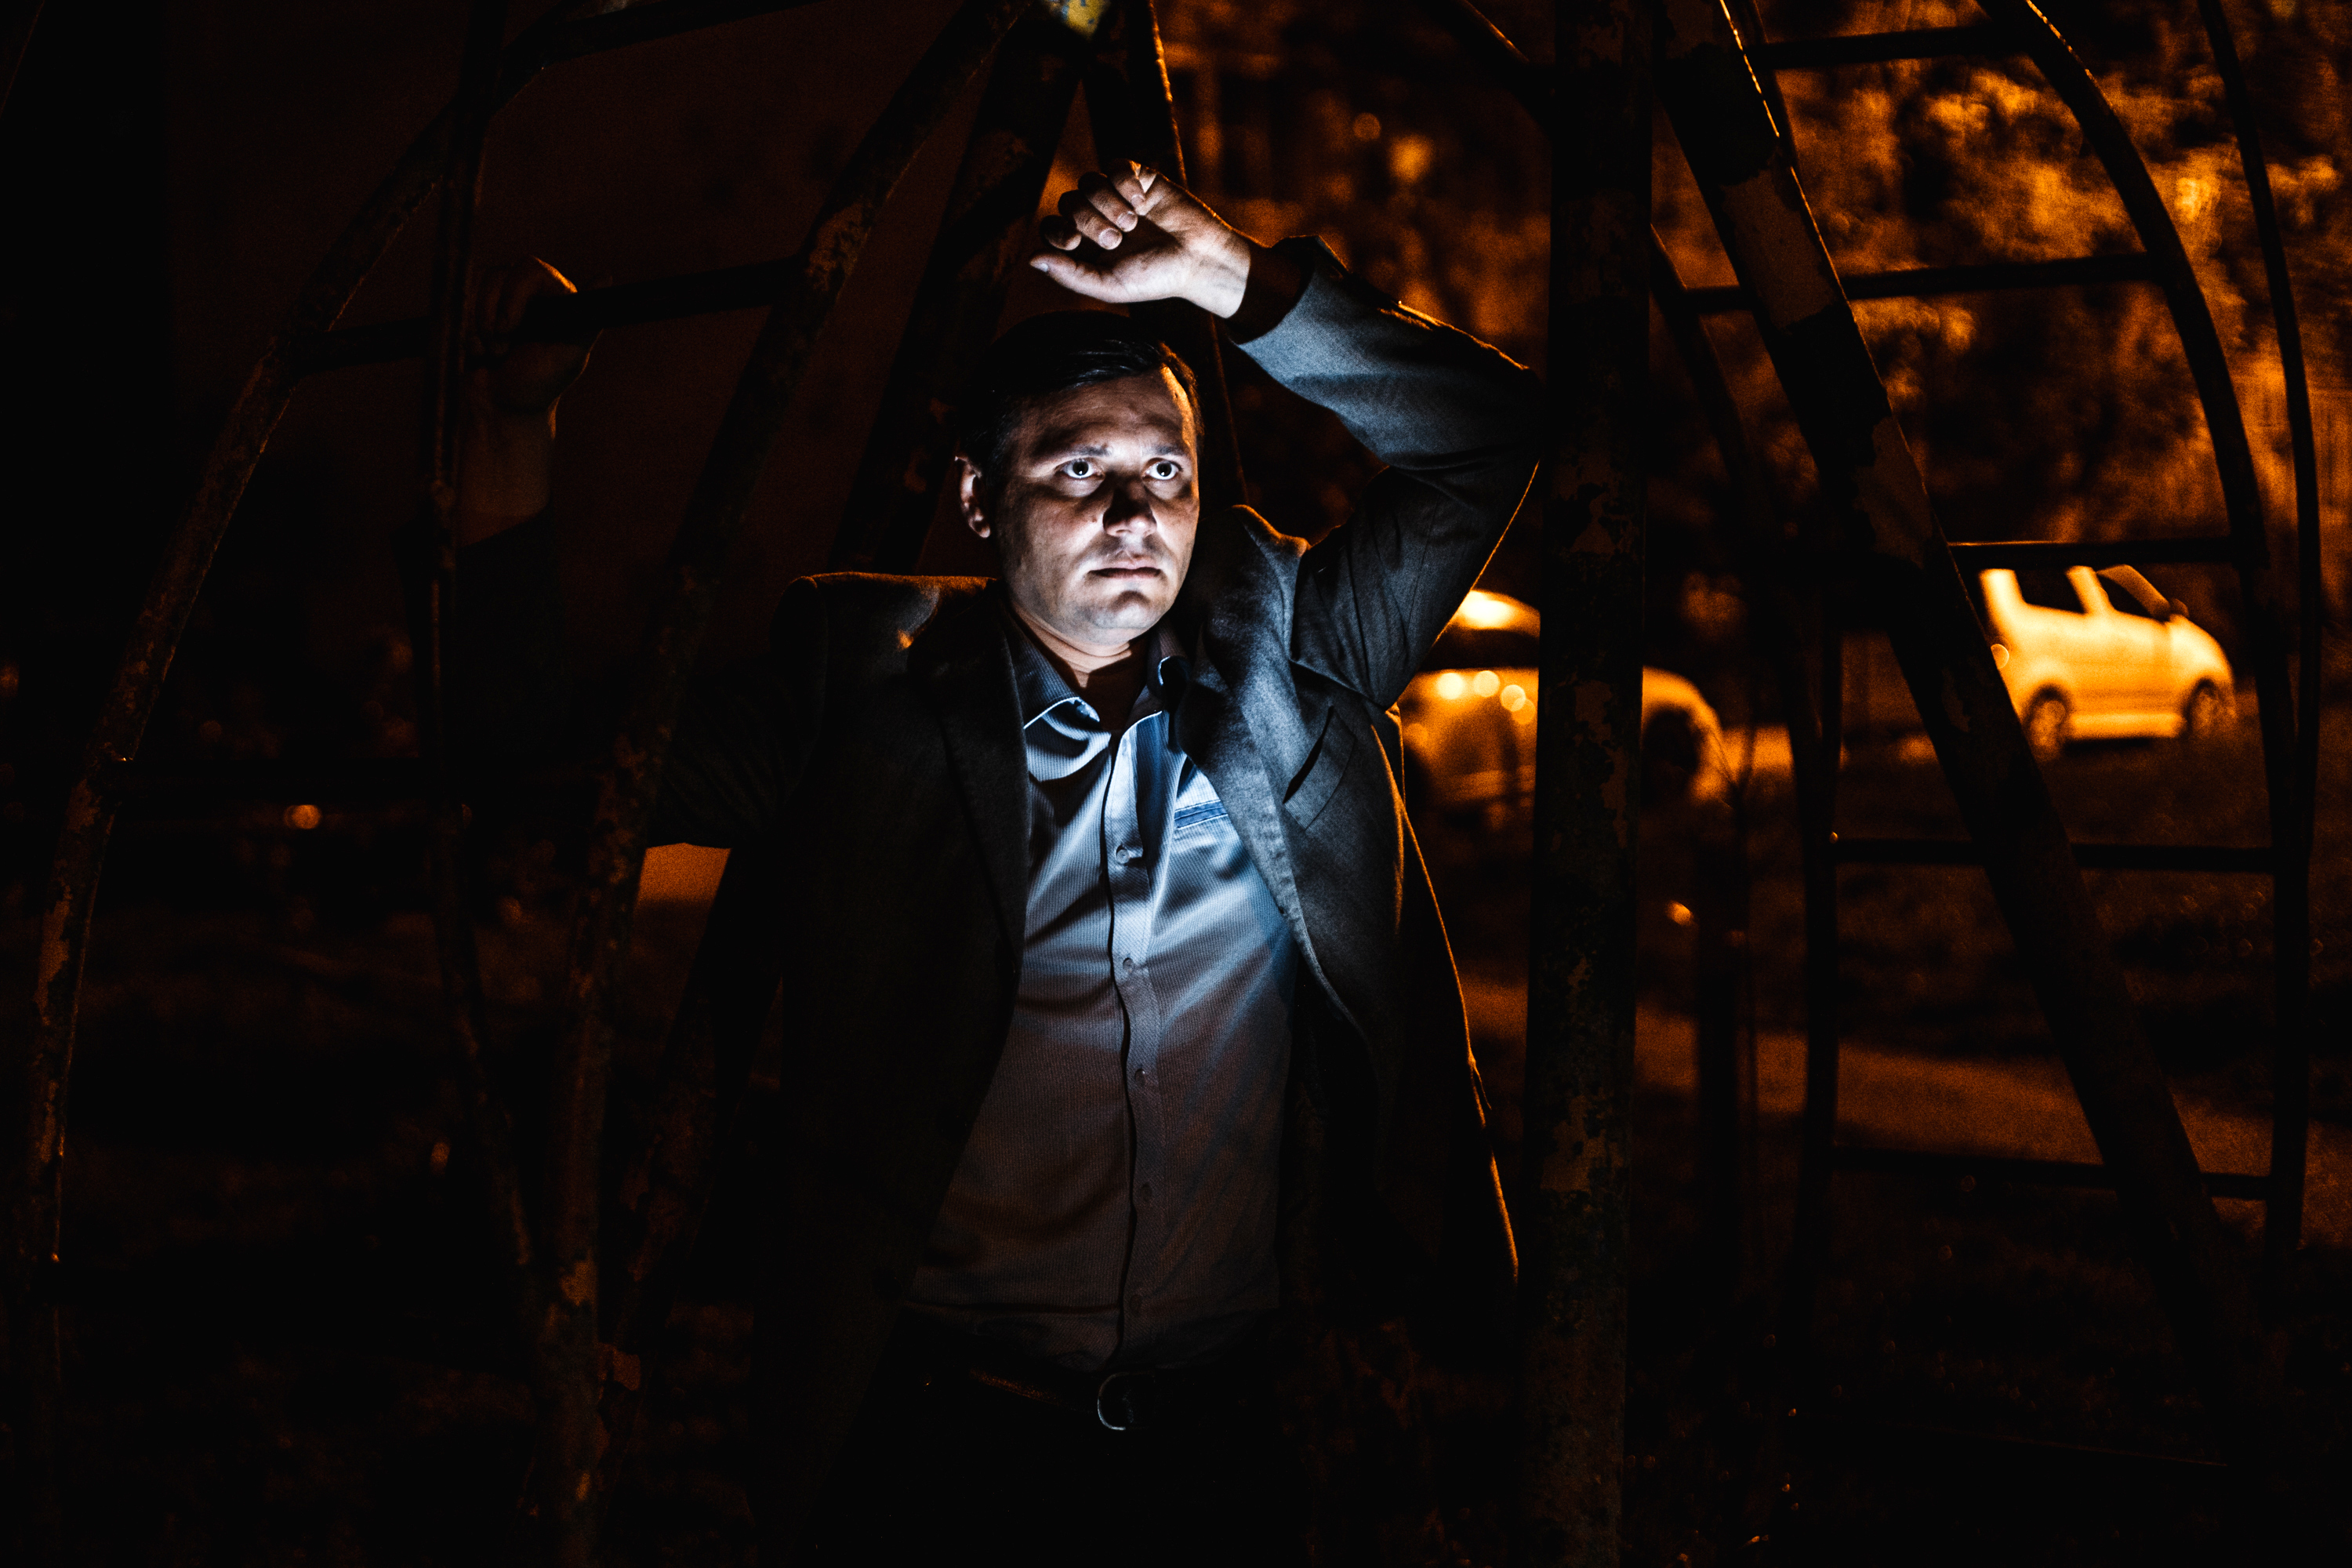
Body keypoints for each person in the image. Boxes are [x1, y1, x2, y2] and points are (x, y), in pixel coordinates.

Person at [454, 165, 1544, 1564]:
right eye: (1079, 471)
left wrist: (1231, 279)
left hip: (1225, 1435)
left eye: (1167, 472)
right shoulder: (861, 682)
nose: (1135, 515)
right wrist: (512, 427)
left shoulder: (1295, 651)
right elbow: (539, 775)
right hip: (941, 1441)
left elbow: (1493, 436)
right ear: (978, 499)